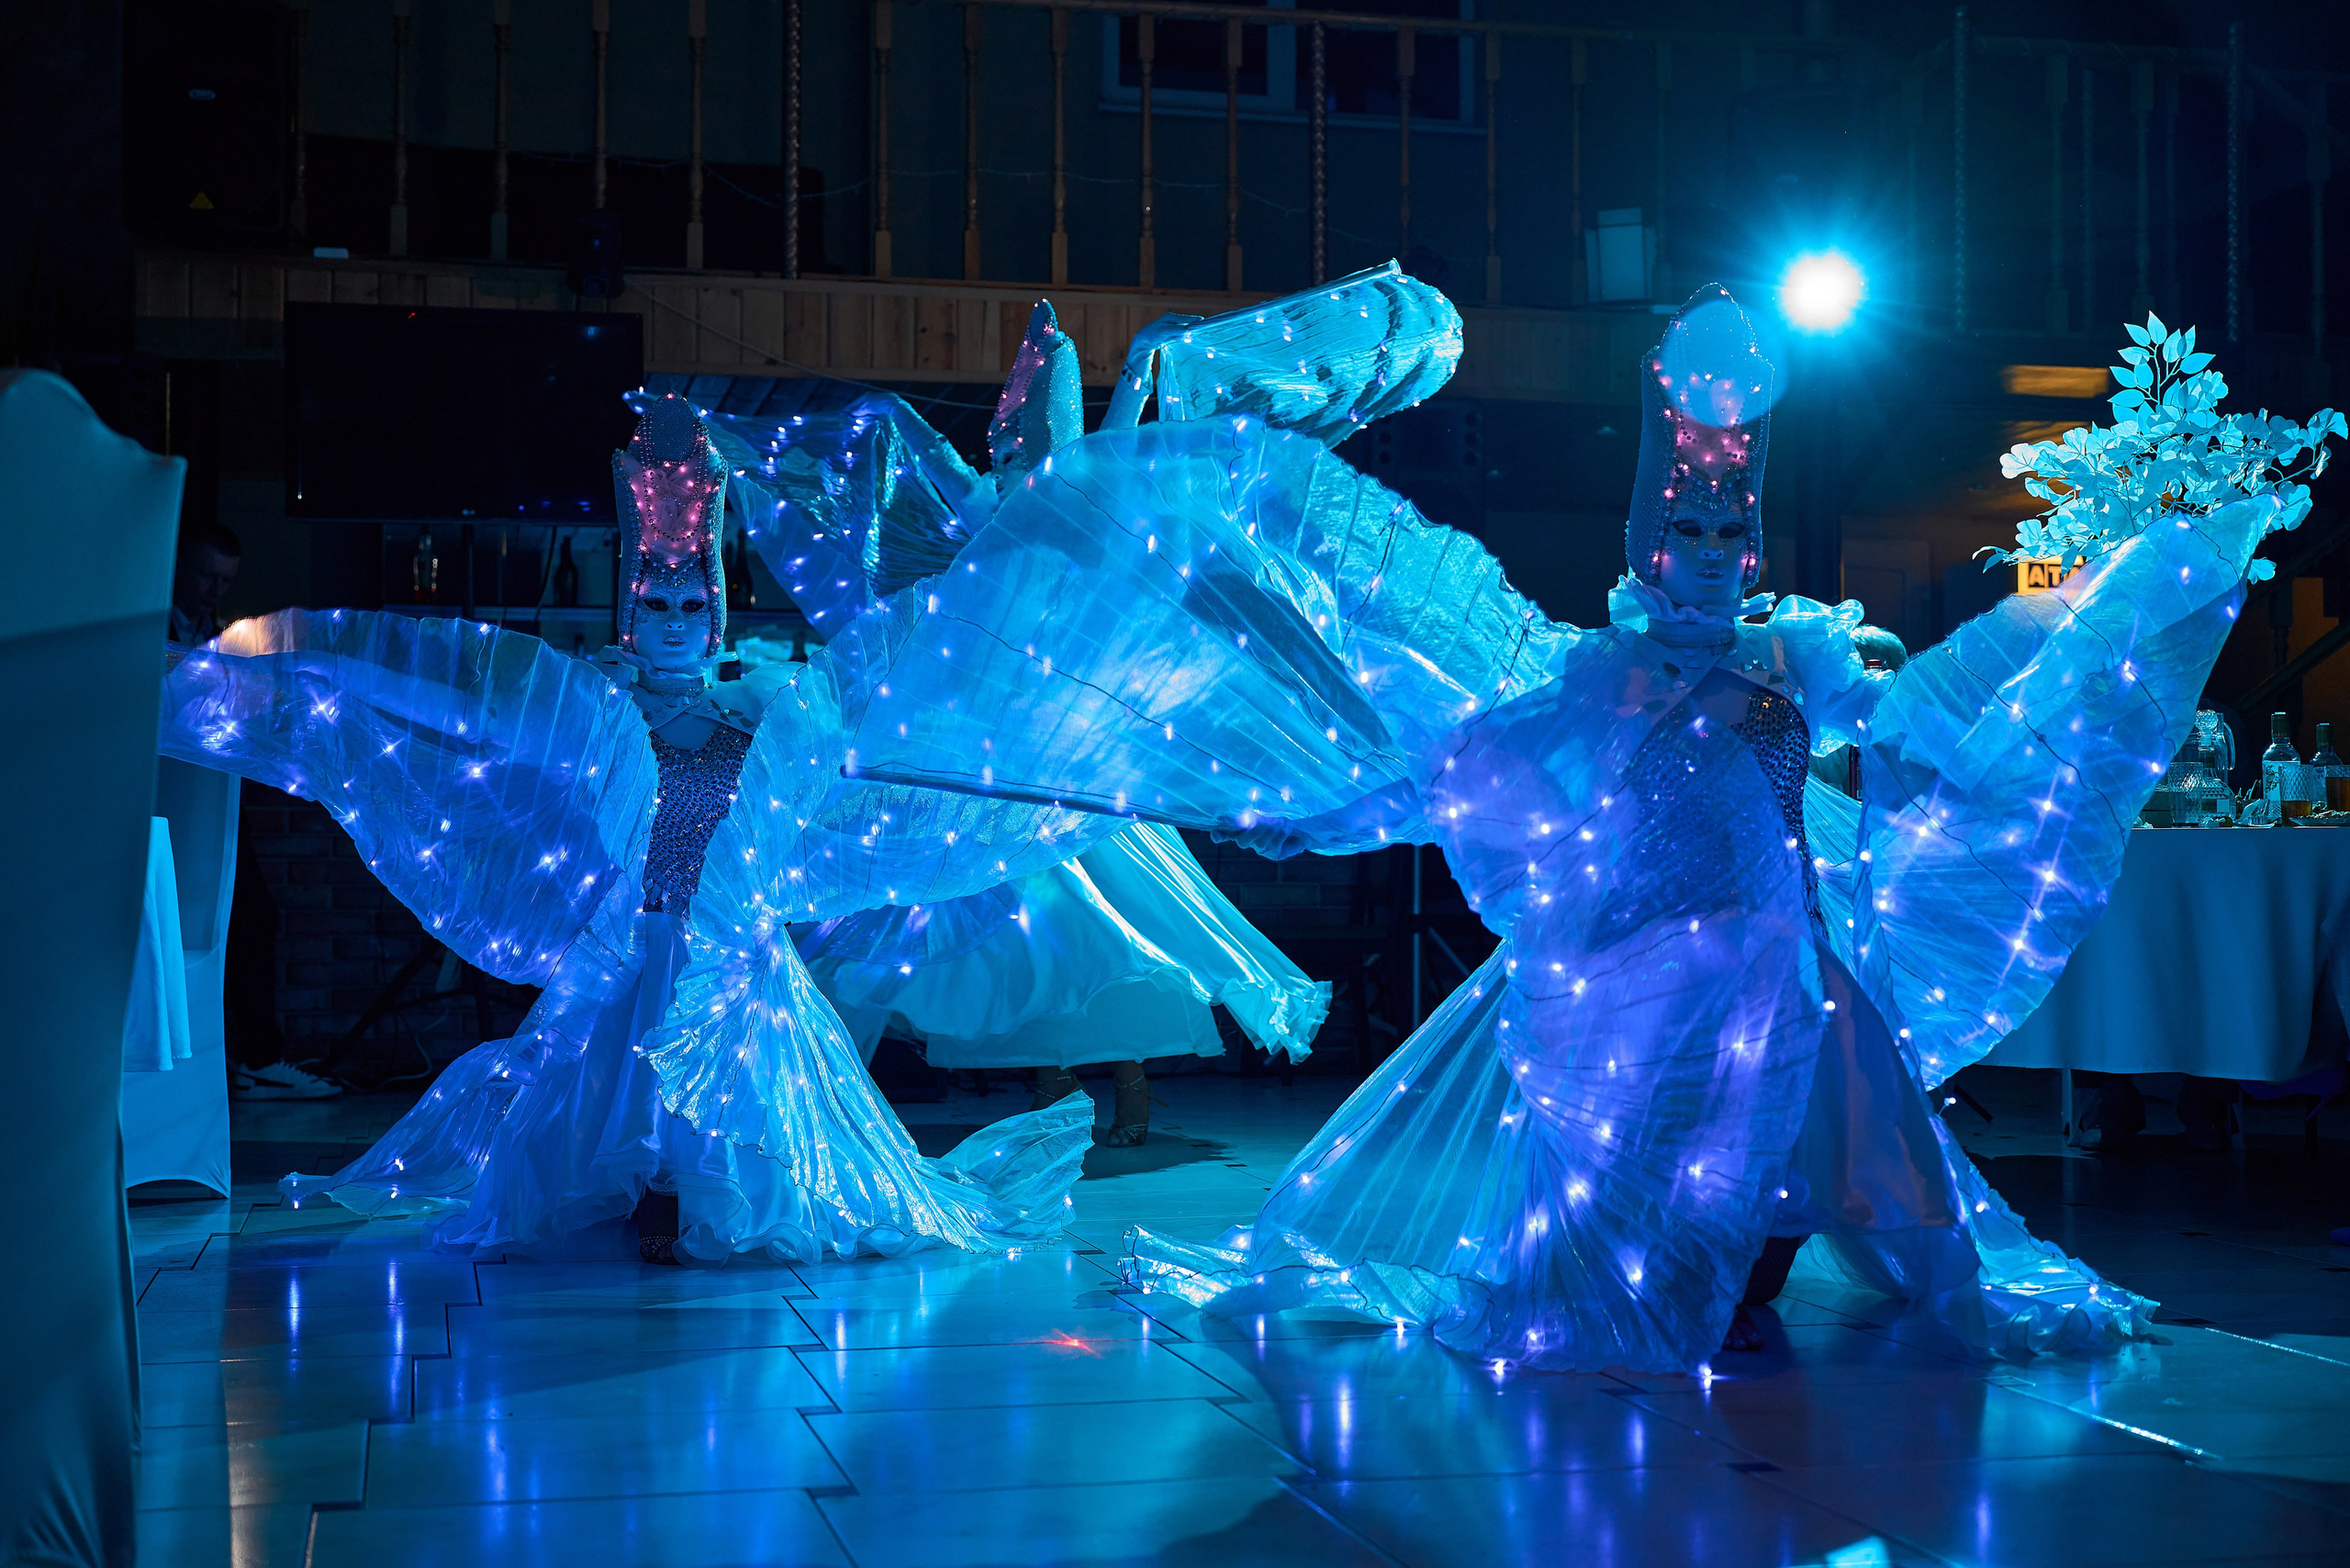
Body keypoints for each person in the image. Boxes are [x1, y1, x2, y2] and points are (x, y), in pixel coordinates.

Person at [842, 283, 2304, 1372]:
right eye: (1692, 540)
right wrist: (1332, 812)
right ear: (1645, 545)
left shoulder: (1795, 655)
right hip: (1657, 969)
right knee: (1667, 1185)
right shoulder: (1601, 675)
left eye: (1735, 540)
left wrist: (2094, 614)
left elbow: (1912, 721)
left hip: (1796, 967)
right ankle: (1701, 1275)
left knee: (1836, 1144)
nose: (1716, 564)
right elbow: (1480, 768)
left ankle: (1759, 1265)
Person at [159, 397, 1123, 1263]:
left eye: (689, 602)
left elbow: (894, 724)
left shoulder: (761, 710)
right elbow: (453, 707)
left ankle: (692, 1192)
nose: (671, 619)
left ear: (714, 612)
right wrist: (303, 661)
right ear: (632, 609)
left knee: (752, 1136)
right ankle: (642, 1187)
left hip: (734, 953)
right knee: (587, 1113)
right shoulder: (596, 708)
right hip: (626, 946)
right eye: (655, 601)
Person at [707, 302, 1329, 1147]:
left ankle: (1127, 1080)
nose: (1013, 467)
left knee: (1104, 925)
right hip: (993, 755)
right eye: (1007, 455)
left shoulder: (1080, 516)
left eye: (1027, 455)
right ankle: (1055, 1086)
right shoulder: (984, 517)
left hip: (1069, 756)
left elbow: (1109, 453)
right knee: (1011, 934)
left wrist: (1139, 365)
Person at [168, 521, 342, 1100]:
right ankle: (240, 1059)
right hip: (165, 799)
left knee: (243, 916)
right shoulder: (158, 631)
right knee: (218, 920)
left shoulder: (210, 634)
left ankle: (247, 1058)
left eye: (226, 581)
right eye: (206, 577)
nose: (215, 591)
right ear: (179, 568)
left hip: (206, 798)